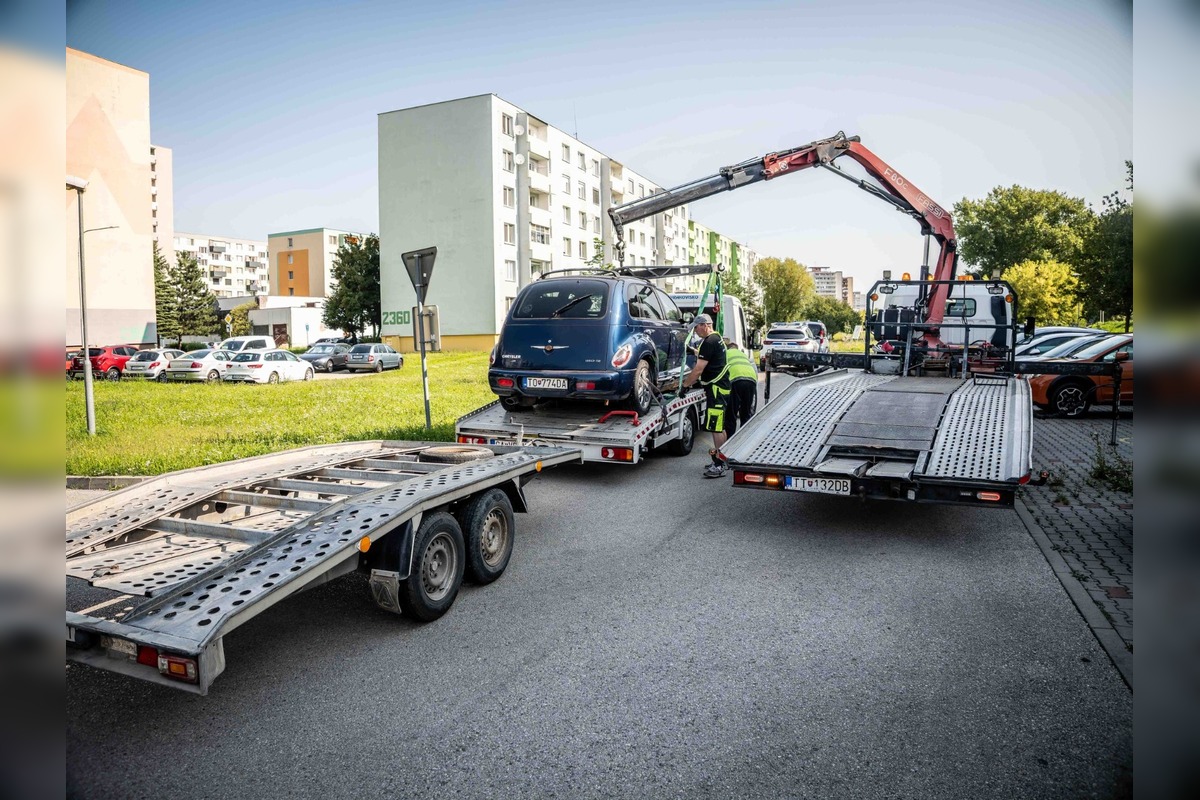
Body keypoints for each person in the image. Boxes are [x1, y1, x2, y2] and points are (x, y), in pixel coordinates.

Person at [682, 314, 731, 478]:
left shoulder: (708, 342)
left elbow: (698, 370)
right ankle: (722, 458)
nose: (695, 331)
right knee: (720, 427)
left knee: (716, 428)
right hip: (721, 388)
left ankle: (719, 465)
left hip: (715, 389)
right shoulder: (716, 338)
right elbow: (710, 356)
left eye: (696, 328)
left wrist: (685, 386)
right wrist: (694, 351)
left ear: (704, 325)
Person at [722, 339, 758, 435]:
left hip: (735, 380)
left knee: (731, 414)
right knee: (746, 413)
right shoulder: (743, 355)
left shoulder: (725, 353)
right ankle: (744, 439)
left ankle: (731, 441)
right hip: (751, 380)